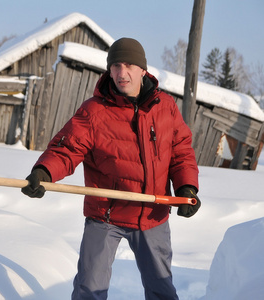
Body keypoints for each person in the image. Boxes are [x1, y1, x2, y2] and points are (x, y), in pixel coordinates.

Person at [21, 37, 201, 300]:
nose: (121, 73)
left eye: (128, 65)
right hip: (105, 213)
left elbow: (181, 151)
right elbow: (67, 148)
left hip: (152, 213)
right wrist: (43, 172)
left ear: (143, 70)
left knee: (161, 290)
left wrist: (187, 188)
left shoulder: (166, 108)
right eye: (115, 66)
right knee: (89, 289)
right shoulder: (95, 111)